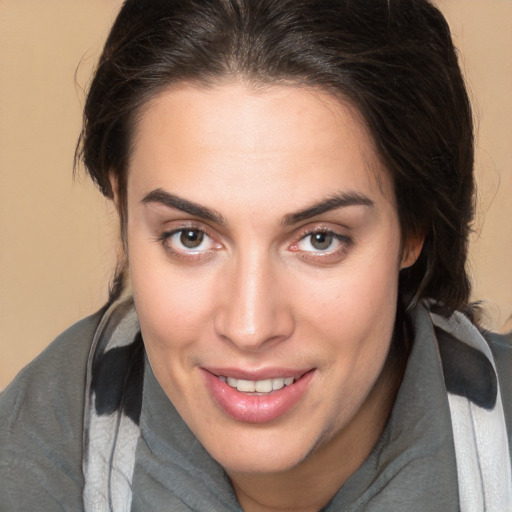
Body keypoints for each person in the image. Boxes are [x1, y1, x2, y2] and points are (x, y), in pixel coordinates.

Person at [1, 0, 511, 510]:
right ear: (123, 212)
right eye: (191, 237)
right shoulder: (28, 459)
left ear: (413, 228)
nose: (250, 327)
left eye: (320, 239)